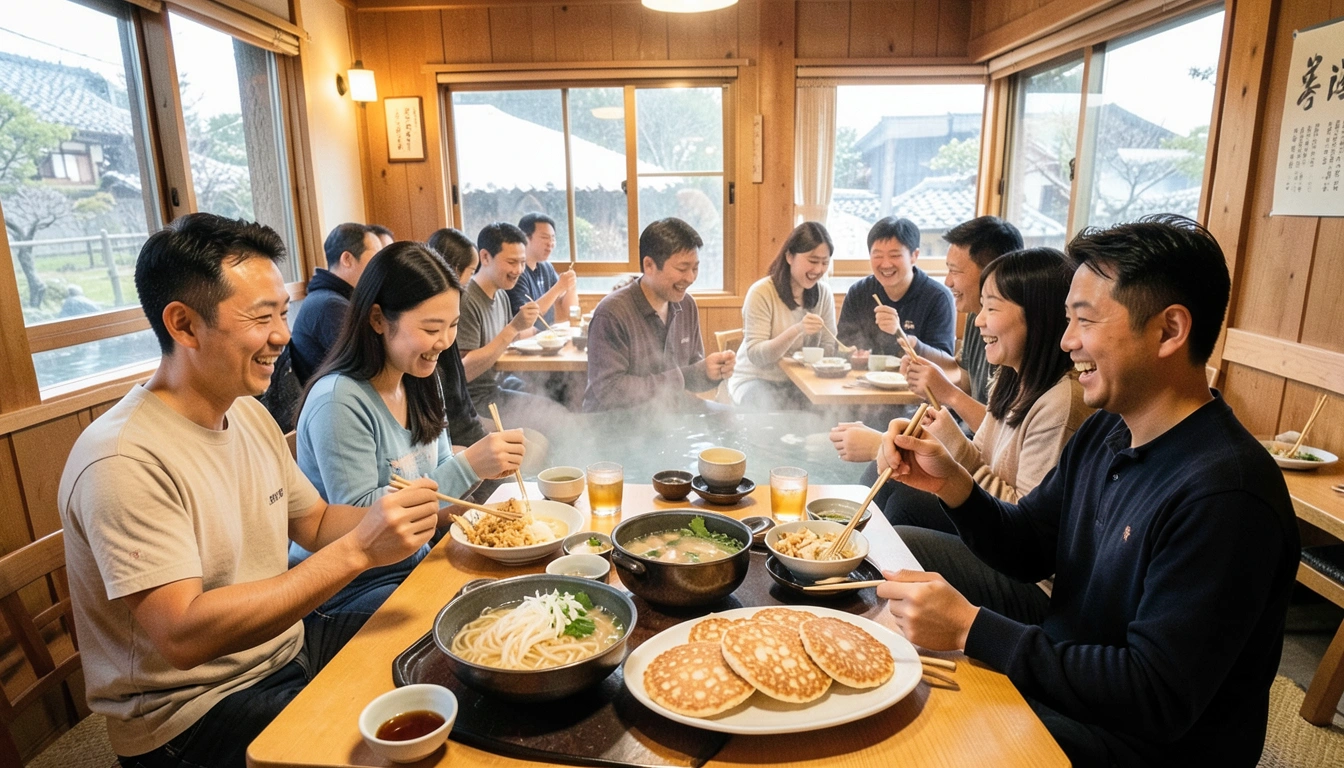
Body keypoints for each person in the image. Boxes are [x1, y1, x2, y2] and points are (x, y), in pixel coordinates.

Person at [873, 216, 1299, 767]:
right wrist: (952, 484)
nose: (1067, 340)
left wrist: (971, 628)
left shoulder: (1226, 495)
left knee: (930, 731)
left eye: (1084, 320)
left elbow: (1154, 696)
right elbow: (1028, 547)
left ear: (1170, 330)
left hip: (1143, 746)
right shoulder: (1109, 429)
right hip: (1076, 686)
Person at [57, 213, 442, 768]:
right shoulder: (122, 459)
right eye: (262, 318)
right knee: (396, 747)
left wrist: (389, 518)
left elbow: (310, 523)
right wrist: (360, 549)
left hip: (285, 648)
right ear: (184, 325)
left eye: (283, 312)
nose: (283, 335)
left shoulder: (246, 413)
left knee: (443, 652)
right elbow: (184, 635)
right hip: (191, 713)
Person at [292, 242, 526, 619]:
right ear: (378, 319)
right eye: (431, 328)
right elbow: (364, 522)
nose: (445, 342)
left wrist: (492, 509)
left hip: (412, 562)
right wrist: (469, 465)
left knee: (520, 595)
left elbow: (441, 467)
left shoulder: (418, 377)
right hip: (351, 588)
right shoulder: (339, 401)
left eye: (452, 325)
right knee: (482, 622)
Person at [583, 218, 736, 412]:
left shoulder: (686, 305)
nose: (690, 278)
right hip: (616, 423)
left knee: (735, 422)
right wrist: (684, 376)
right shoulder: (612, 313)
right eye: (682, 268)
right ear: (649, 265)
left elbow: (692, 374)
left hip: (668, 414)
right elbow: (611, 390)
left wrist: (711, 373)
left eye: (695, 268)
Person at [902, 216, 1023, 432]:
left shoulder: (1017, 335)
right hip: (967, 437)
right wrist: (931, 383)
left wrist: (947, 393)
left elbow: (1004, 434)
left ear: (992, 273)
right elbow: (967, 383)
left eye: (955, 271)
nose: (947, 281)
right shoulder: (975, 316)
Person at [457, 222, 567, 433]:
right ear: (485, 257)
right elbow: (465, 371)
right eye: (511, 262)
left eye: (522, 262)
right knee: (555, 419)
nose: (518, 270)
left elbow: (511, 338)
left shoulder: (500, 294)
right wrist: (513, 327)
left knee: (556, 400)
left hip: (497, 386)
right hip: (473, 401)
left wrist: (551, 334)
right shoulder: (467, 300)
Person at [726, 221, 837, 410]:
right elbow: (756, 356)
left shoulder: (824, 293)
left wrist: (823, 354)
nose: (818, 270)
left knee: (830, 412)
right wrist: (798, 330)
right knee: (769, 412)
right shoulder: (762, 292)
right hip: (755, 379)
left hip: (801, 381)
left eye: (824, 263)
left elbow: (830, 344)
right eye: (812, 261)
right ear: (789, 256)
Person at [836, 216, 955, 357]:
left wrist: (901, 334)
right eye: (878, 255)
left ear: (914, 256)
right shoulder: (859, 292)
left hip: (912, 379)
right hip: (862, 377)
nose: (886, 264)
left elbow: (945, 361)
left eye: (895, 255)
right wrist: (851, 354)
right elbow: (840, 347)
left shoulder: (937, 298)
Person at [290, 222, 381, 385]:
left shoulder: (330, 298)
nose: (379, 266)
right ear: (347, 259)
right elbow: (368, 370)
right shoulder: (330, 306)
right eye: (376, 256)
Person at [425, 227, 489, 449]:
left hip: (462, 426)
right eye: (471, 272)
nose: (442, 340)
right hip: (455, 435)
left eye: (453, 325)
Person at [507, 212, 577, 328]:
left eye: (553, 238)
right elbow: (526, 317)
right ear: (525, 238)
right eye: (545, 237)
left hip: (546, 338)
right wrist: (559, 286)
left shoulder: (546, 267)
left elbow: (569, 310)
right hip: (525, 342)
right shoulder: (516, 273)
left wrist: (570, 286)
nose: (550, 243)